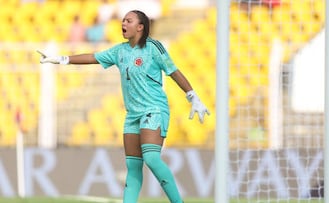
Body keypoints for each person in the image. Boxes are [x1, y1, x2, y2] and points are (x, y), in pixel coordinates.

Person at [38, 10, 209, 203]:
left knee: (151, 159)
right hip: (132, 115)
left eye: (128, 20)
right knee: (133, 166)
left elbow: (173, 71)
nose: (123, 23)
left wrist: (192, 96)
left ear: (140, 27)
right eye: (122, 21)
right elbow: (93, 57)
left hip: (154, 109)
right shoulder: (120, 51)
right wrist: (62, 59)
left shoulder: (154, 47)